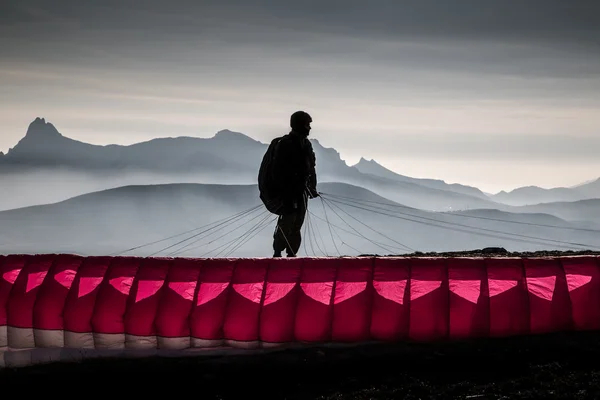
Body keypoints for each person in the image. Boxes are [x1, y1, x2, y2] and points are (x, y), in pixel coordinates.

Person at [268, 111, 319, 257]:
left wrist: (312, 187)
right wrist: (284, 192)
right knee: (287, 221)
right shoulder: (286, 144)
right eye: (307, 125)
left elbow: (311, 168)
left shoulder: (306, 144)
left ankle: (292, 253)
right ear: (299, 125)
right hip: (288, 193)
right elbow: (278, 170)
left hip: (301, 192)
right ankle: (277, 252)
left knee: (298, 223)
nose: (309, 128)